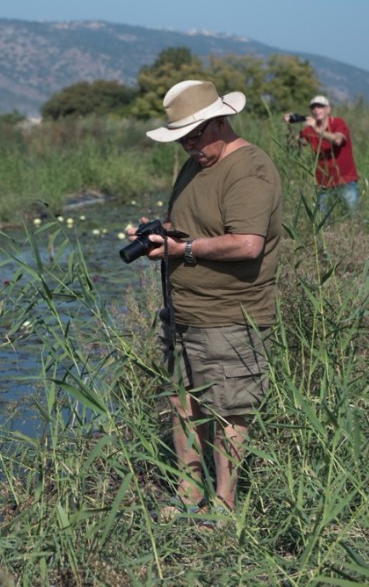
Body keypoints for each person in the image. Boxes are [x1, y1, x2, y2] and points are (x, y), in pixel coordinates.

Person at [129, 80, 282, 518]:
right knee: (182, 403)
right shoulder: (196, 164)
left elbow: (247, 243)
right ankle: (189, 491)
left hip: (229, 315)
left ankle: (225, 506)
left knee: (229, 413)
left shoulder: (250, 170)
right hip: (183, 313)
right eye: (181, 139)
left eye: (195, 136)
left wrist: (186, 250)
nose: (188, 147)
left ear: (220, 121)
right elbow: (189, 223)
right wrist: (159, 234)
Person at [284, 95, 360, 216]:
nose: (316, 110)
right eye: (313, 107)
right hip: (323, 182)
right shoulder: (309, 129)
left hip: (345, 179)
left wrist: (317, 130)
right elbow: (293, 144)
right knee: (323, 220)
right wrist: (289, 125)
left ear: (328, 109)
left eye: (320, 106)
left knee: (353, 216)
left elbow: (338, 140)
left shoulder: (338, 122)